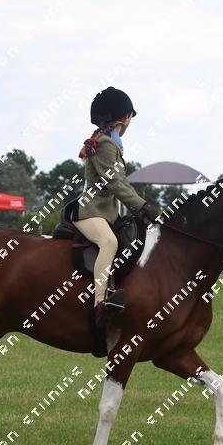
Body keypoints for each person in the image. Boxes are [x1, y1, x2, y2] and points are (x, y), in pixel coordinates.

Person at [76, 86, 160, 328]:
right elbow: (114, 182)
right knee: (109, 243)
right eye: (130, 117)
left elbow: (122, 182)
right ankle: (100, 304)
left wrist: (140, 208)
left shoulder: (111, 142)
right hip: (91, 211)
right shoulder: (104, 143)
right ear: (125, 117)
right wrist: (142, 206)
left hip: (106, 211)